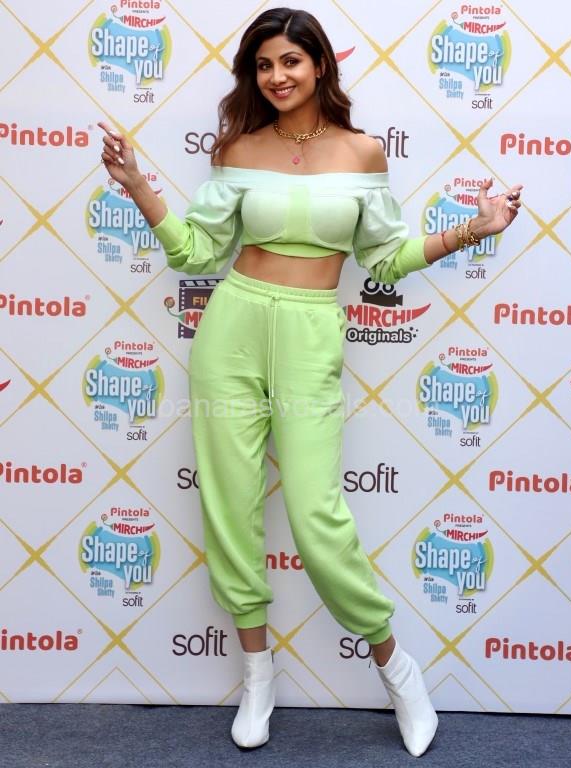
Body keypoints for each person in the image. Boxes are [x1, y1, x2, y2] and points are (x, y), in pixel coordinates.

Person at [98, 7, 522, 757]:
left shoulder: (362, 153)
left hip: (309, 332)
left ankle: (398, 670)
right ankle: (257, 676)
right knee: (229, 505)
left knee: (317, 515)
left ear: (319, 64)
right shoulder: (240, 147)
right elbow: (197, 253)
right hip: (232, 328)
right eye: (263, 65)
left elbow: (385, 258)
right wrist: (136, 185)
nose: (277, 76)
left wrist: (472, 230)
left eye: (290, 61)